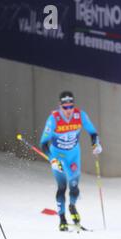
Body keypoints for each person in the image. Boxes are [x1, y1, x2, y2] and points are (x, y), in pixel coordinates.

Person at [40, 91, 102, 231]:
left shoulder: (80, 115)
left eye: (70, 107)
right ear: (60, 106)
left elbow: (93, 132)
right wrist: (52, 159)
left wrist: (96, 144)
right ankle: (62, 218)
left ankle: (72, 206)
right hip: (58, 156)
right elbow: (43, 143)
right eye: (65, 107)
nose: (68, 110)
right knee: (62, 187)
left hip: (74, 155)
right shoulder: (53, 119)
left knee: (74, 186)